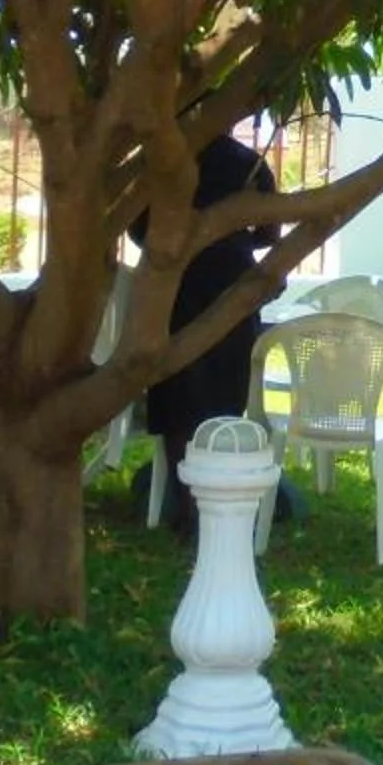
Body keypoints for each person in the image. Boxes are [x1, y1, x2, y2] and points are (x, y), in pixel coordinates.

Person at [133, 131, 278, 536]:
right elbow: (270, 233)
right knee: (226, 398)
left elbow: (136, 226)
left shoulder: (158, 161)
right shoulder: (247, 162)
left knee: (175, 396)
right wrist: (234, 236)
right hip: (231, 286)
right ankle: (218, 507)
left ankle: (185, 509)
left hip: (171, 286)